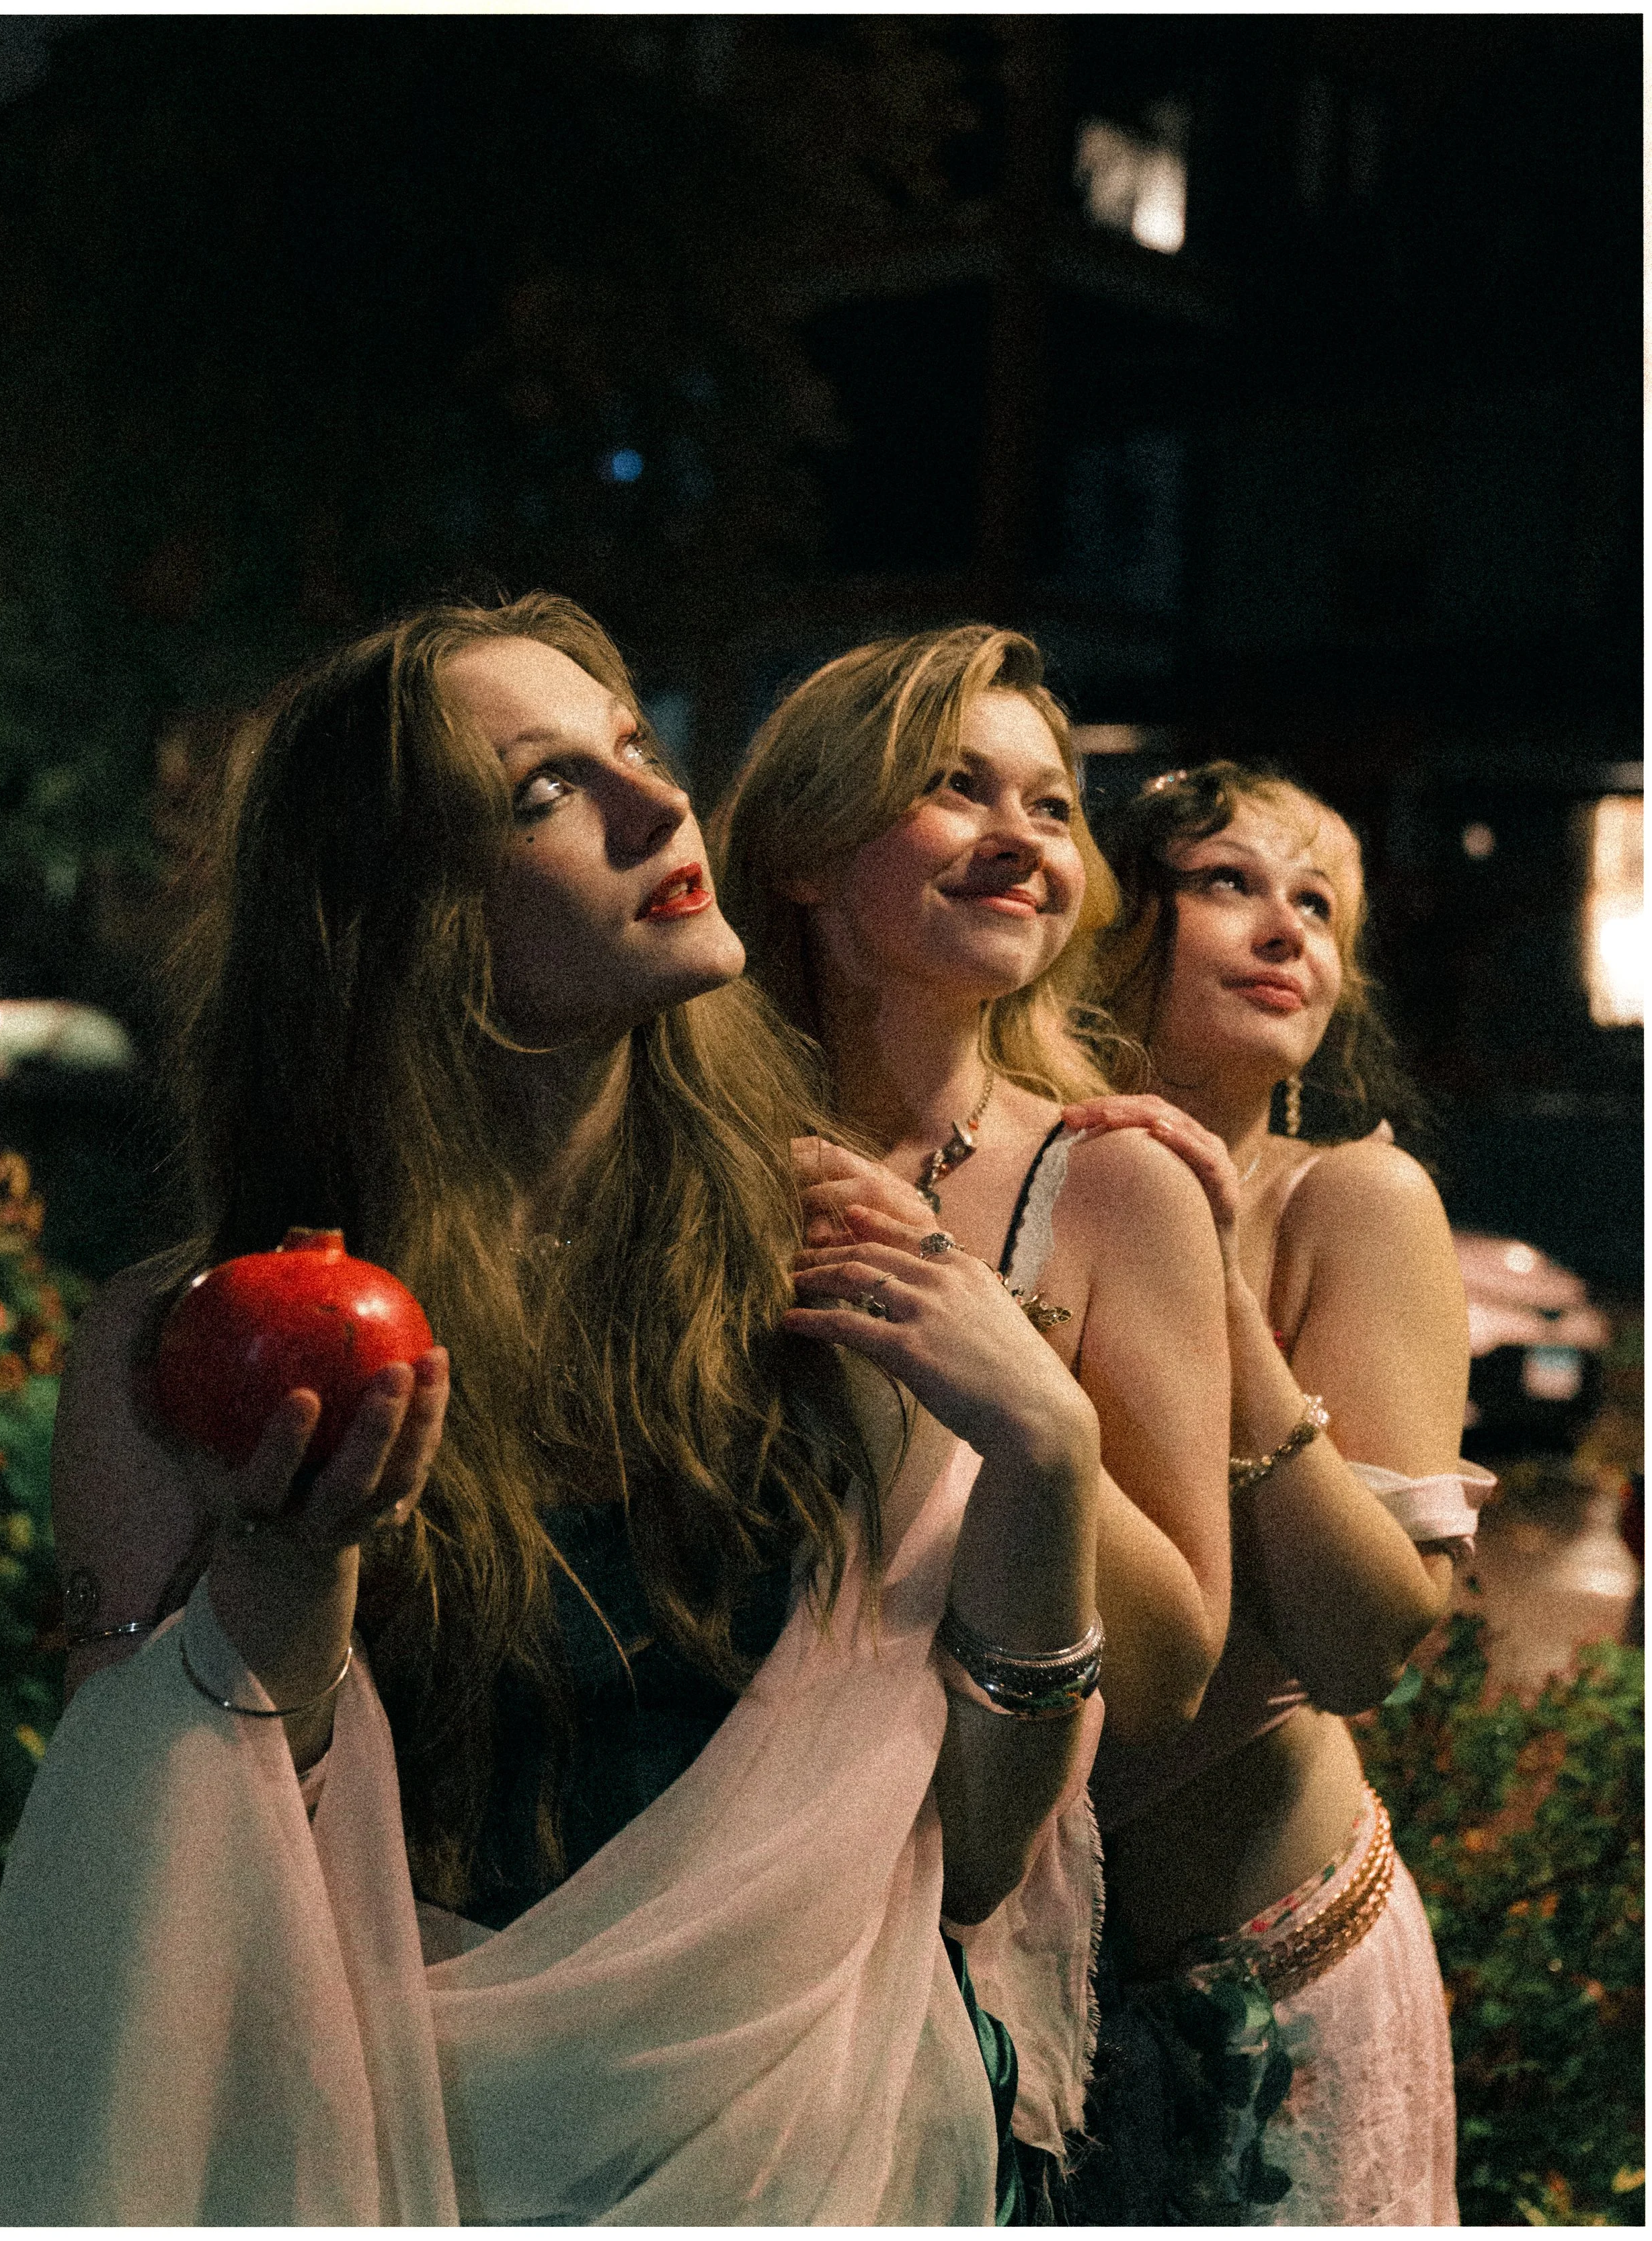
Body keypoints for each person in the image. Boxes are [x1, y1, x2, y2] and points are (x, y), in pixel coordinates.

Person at [0, 594, 1107, 2226]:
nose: (658, 808)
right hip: (375, 2154)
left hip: (792, 2163)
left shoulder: (833, 1260)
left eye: (635, 750)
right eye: (543, 790)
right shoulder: (201, 1346)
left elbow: (982, 1855)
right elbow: (165, 1909)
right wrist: (286, 1588)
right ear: (397, 913)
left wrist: (1049, 1454)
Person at [711, 627, 1234, 2204]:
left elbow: (1164, 1670)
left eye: (1055, 805)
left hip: (938, 1935)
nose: (1024, 837)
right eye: (956, 788)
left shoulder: (1115, 1182)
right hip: (653, 1865)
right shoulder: (683, 1138)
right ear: (802, 851)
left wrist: (1009, 1377)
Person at [1060, 760, 1490, 2225]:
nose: (1286, 929)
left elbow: (1366, 1642)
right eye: (1229, 881)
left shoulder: (1349, 1204)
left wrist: (1217, 1297)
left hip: (1281, 1967)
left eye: (1318, 905)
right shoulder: (1003, 1179)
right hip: (1017, 1986)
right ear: (1111, 920)